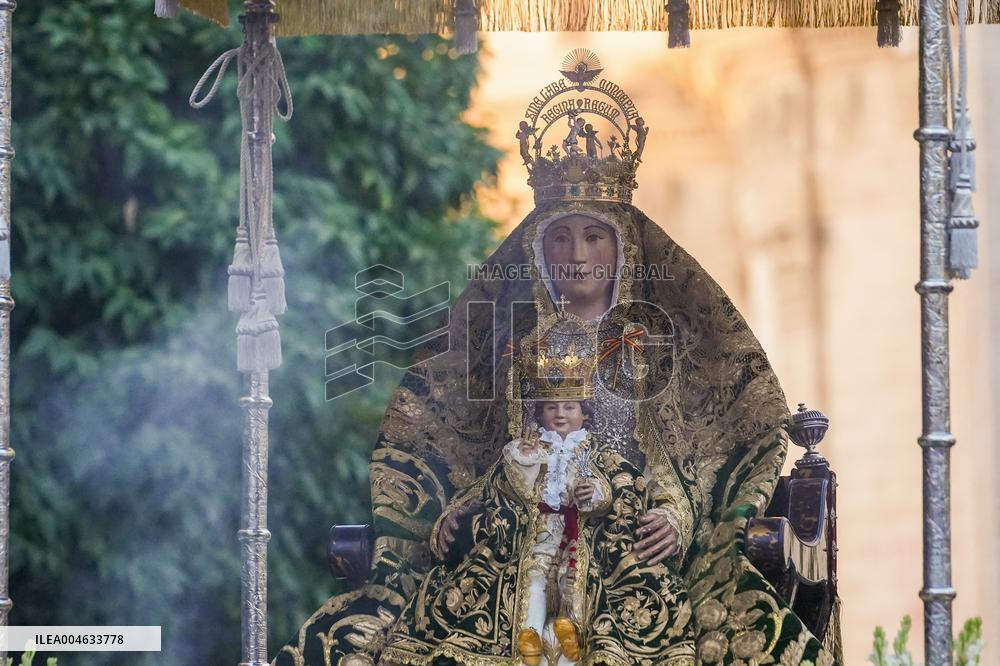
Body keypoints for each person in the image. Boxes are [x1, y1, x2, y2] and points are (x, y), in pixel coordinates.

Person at [273, 52, 839, 666]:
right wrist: (464, 505)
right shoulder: (511, 344)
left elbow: (691, 452)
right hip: (518, 545)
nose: (577, 253)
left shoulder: (654, 343)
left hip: (626, 543)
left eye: (594, 236)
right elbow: (487, 446)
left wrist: (676, 516)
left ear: (621, 248)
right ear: (540, 250)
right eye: (561, 237)